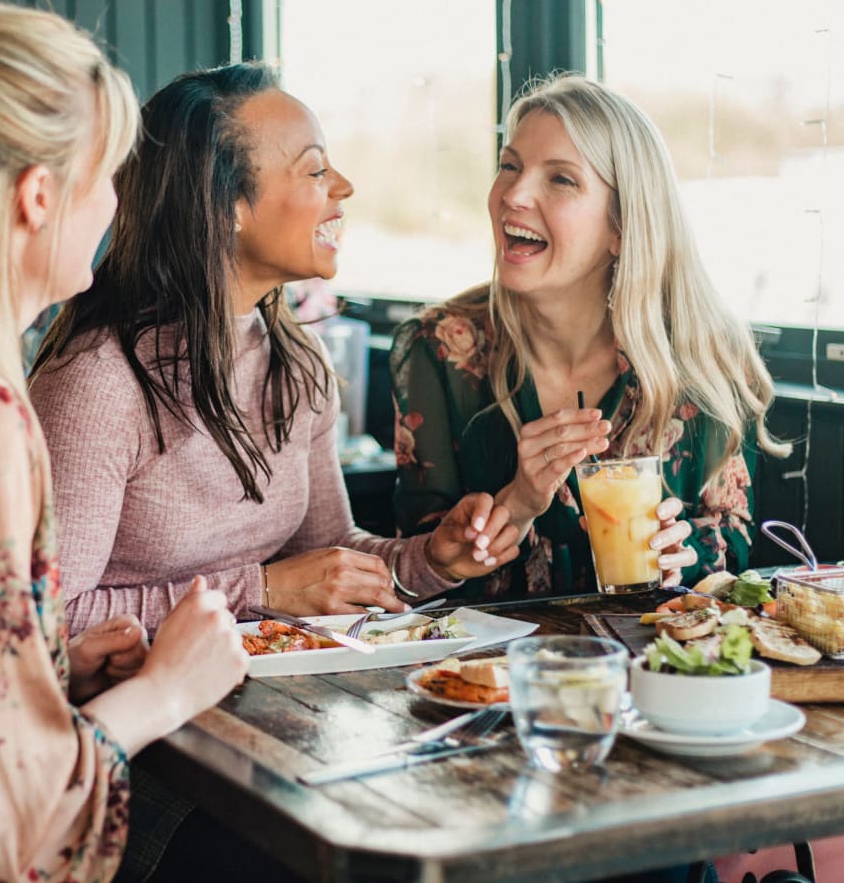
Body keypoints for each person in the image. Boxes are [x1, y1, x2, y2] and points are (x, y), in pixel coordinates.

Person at [0, 4, 248, 882]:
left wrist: (44, 666)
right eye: (109, 175)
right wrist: (164, 693)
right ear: (38, 195)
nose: (116, 205)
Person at [29, 63, 519, 637]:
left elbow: (329, 557)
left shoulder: (297, 361)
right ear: (227, 205)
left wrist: (434, 560)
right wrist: (259, 590)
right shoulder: (99, 382)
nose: (344, 186)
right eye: (314, 169)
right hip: (133, 714)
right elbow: (44, 619)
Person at [390, 74, 791, 602]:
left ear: (621, 227)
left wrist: (685, 548)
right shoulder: (440, 348)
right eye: (510, 166)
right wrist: (520, 500)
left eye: (560, 179)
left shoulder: (702, 354)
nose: (513, 194)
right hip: (487, 675)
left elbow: (735, 537)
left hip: (653, 670)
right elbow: (418, 568)